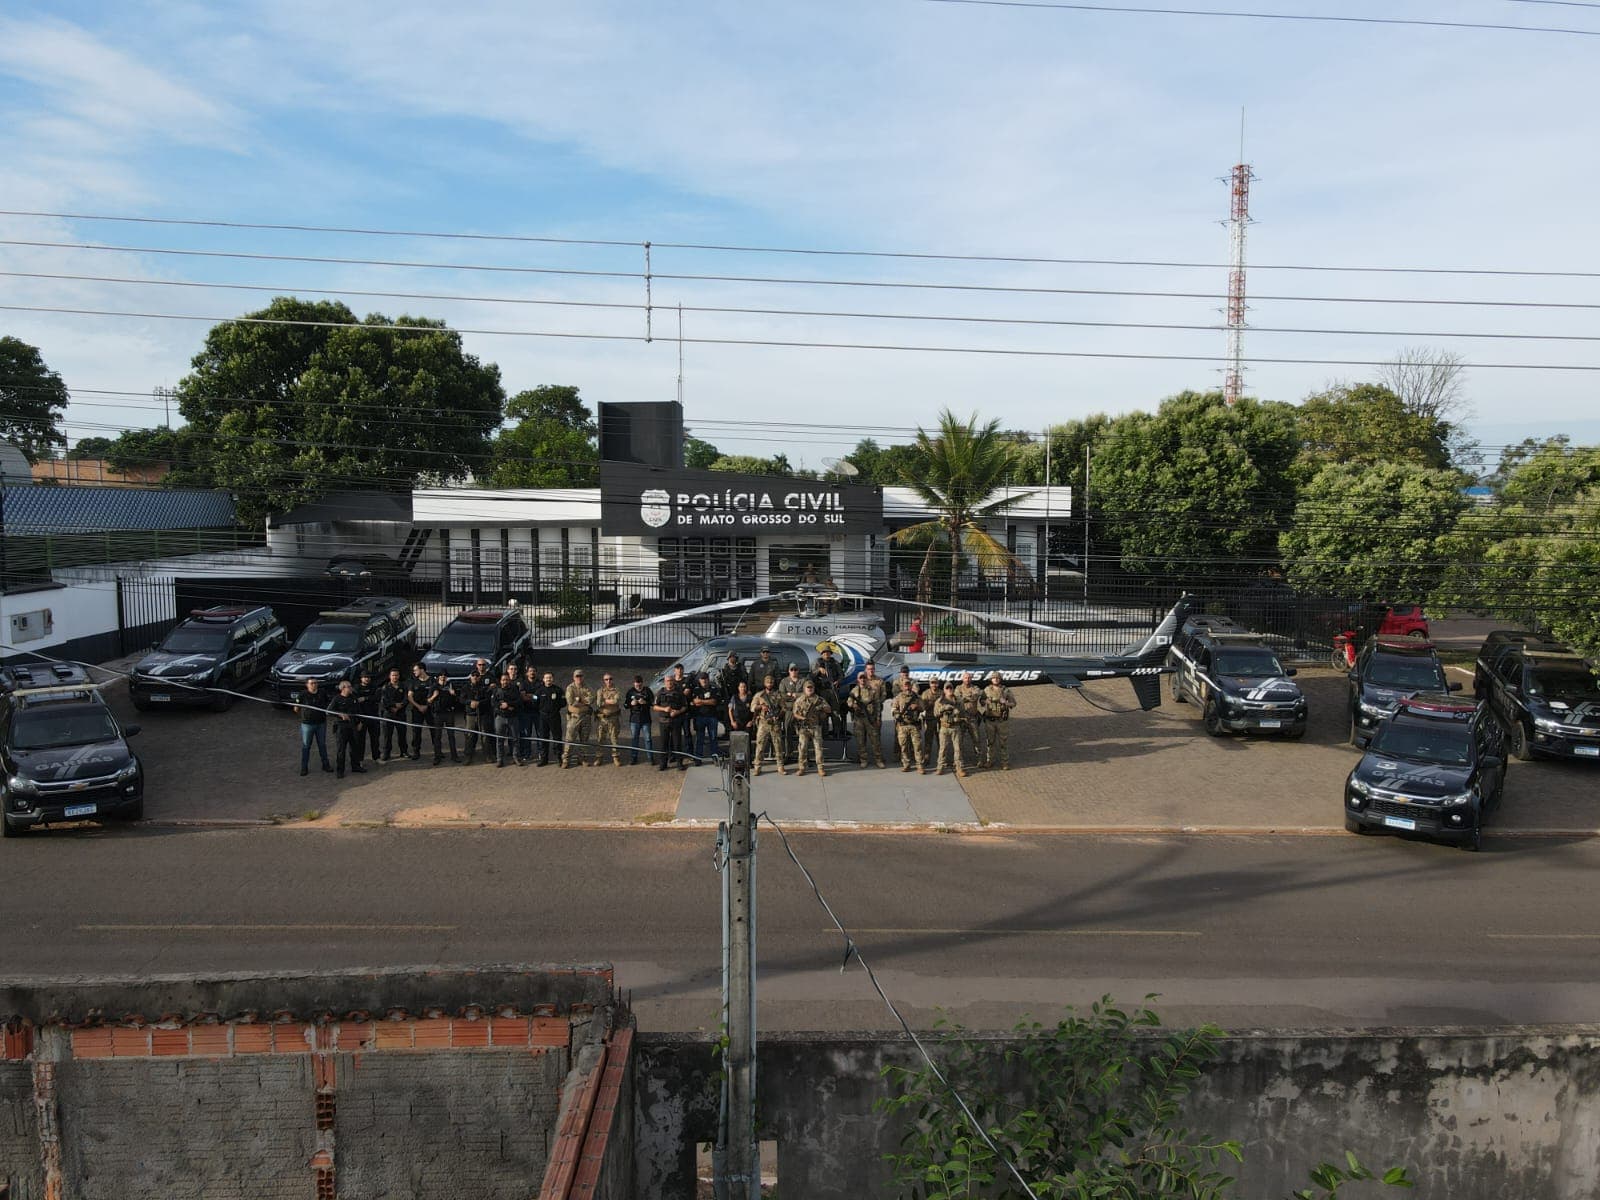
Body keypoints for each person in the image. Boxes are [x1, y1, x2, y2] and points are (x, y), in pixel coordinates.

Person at [847, 662, 888, 768]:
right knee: (860, 740)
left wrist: (878, 718)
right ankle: (863, 759)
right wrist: (853, 705)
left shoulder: (873, 690)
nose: (863, 679)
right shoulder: (855, 690)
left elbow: (878, 703)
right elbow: (849, 701)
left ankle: (878, 760)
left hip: (871, 717)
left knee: (875, 740)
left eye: (864, 678)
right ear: (858, 679)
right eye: (861, 678)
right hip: (859, 719)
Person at [292, 677, 333, 776]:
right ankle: (304, 767)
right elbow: (296, 708)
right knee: (306, 746)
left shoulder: (322, 693)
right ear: (307, 685)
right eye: (312, 683)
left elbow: (329, 703)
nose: (314, 685)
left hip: (321, 723)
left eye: (315, 683)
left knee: (322, 745)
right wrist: (303, 712)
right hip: (307, 724)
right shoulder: (302, 694)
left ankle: (326, 764)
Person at [327, 679, 367, 778]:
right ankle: (340, 770)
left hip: (353, 726)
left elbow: (359, 711)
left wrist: (360, 722)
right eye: (349, 687)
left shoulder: (353, 698)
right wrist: (340, 714)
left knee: (354, 747)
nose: (351, 688)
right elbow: (328, 711)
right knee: (341, 749)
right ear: (343, 688)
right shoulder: (337, 699)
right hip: (341, 728)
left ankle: (355, 766)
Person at [791, 680, 830, 777]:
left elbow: (828, 709)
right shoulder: (800, 700)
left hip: (815, 727)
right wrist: (803, 718)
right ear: (804, 689)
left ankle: (820, 768)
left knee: (818, 748)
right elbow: (795, 713)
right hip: (804, 727)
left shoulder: (819, 699)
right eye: (808, 687)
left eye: (811, 687)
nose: (810, 689)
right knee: (802, 748)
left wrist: (820, 707)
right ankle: (802, 768)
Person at [751, 674, 787, 777]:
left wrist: (779, 716)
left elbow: (784, 707)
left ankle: (780, 766)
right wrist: (761, 707)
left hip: (775, 723)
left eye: (771, 682)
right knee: (760, 745)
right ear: (764, 683)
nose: (769, 684)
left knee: (778, 745)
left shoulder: (778, 695)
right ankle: (757, 767)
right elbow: (752, 708)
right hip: (763, 723)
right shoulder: (760, 695)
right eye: (768, 682)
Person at [982, 671, 1018, 770]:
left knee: (1003, 742)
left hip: (1002, 721)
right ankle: (990, 761)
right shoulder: (987, 690)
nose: (996, 679)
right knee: (990, 742)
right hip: (990, 721)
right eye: (994, 678)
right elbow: (981, 701)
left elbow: (1014, 703)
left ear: (1000, 679)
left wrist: (1006, 703)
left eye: (997, 678)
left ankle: (1005, 762)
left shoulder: (1006, 690)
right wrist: (986, 701)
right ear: (991, 679)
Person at [890, 677, 925, 774]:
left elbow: (923, 709)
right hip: (902, 726)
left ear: (911, 685)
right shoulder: (898, 697)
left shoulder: (917, 697)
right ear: (902, 687)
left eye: (908, 684)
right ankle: (906, 764)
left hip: (914, 725)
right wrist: (898, 716)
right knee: (903, 746)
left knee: (917, 746)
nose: (907, 687)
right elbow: (893, 709)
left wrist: (917, 707)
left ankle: (919, 765)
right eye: (905, 685)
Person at [653, 677, 689, 771]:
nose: (669, 683)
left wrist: (677, 712)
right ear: (665, 682)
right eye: (667, 681)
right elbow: (655, 707)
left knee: (677, 743)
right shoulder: (660, 692)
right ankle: (663, 764)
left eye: (671, 681)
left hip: (675, 721)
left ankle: (679, 763)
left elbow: (685, 706)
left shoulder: (679, 692)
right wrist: (664, 709)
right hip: (663, 721)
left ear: (673, 682)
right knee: (663, 744)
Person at [562, 669, 595, 768]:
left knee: (584, 739)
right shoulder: (570, 688)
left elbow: (592, 699)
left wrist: (580, 700)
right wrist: (584, 701)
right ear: (573, 677)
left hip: (585, 717)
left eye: (580, 676)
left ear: (583, 677)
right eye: (577, 676)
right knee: (569, 739)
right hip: (574, 717)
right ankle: (566, 759)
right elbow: (571, 702)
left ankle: (582, 758)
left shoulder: (587, 687)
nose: (579, 678)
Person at [934, 682, 968, 778]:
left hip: (956, 727)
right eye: (947, 688)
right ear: (944, 690)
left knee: (958, 748)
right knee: (943, 748)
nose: (949, 690)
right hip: (944, 727)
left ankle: (959, 768)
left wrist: (958, 716)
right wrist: (943, 708)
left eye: (951, 688)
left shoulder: (958, 700)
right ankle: (940, 766)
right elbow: (935, 713)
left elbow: (963, 714)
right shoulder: (939, 701)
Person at [427, 671, 461, 764]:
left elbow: (458, 700)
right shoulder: (434, 687)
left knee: (451, 736)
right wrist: (434, 696)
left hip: (449, 713)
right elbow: (428, 701)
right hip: (438, 714)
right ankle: (437, 757)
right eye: (441, 675)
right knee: (437, 736)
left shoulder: (450, 686)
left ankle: (454, 756)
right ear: (438, 677)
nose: (443, 677)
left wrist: (453, 694)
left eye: (445, 676)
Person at [954, 670, 986, 769]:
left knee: (976, 739)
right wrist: (969, 697)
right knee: (959, 740)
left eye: (969, 678)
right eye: (965, 678)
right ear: (962, 679)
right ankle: (959, 761)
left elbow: (977, 695)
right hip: (962, 718)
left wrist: (965, 698)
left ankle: (980, 759)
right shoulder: (958, 688)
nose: (967, 679)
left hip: (973, 718)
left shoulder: (975, 688)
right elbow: (958, 699)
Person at [777, 665, 806, 764]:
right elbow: (781, 695)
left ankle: (803, 756)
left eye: (795, 669)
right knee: (787, 731)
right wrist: (793, 696)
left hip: (800, 710)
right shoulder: (784, 681)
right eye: (791, 669)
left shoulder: (803, 680)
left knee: (803, 733)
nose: (794, 671)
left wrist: (794, 695)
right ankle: (788, 754)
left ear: (798, 671)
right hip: (789, 710)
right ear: (788, 671)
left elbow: (807, 693)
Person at [534, 671, 564, 766]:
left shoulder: (558, 690)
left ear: (553, 679)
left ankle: (559, 758)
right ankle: (544, 759)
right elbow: (534, 702)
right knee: (543, 738)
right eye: (546, 678)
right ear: (543, 679)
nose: (548, 679)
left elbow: (563, 703)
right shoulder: (538, 691)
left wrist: (555, 709)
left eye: (550, 678)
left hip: (554, 716)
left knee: (557, 738)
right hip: (543, 717)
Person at [379, 668, 409, 761]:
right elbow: (384, 701)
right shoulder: (385, 688)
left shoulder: (403, 686)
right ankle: (386, 753)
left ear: (399, 676)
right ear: (389, 676)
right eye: (393, 675)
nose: (395, 677)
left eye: (396, 675)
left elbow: (406, 698)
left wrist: (401, 706)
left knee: (402, 734)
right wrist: (394, 705)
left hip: (401, 714)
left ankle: (404, 752)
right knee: (387, 735)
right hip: (388, 714)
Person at [594, 672, 624, 767]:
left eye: (610, 679)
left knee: (614, 739)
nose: (608, 681)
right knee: (600, 739)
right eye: (606, 679)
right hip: (602, 720)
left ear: (612, 679)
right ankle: (599, 758)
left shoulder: (617, 690)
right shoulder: (600, 691)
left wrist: (605, 700)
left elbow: (616, 701)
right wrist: (610, 701)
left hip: (613, 719)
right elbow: (599, 703)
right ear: (604, 681)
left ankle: (616, 757)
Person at [353, 669, 382, 767]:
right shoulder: (356, 688)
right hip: (362, 718)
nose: (367, 679)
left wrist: (366, 698)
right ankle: (360, 760)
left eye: (368, 677)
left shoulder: (374, 687)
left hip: (373, 716)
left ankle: (376, 757)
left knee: (375, 738)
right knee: (360, 740)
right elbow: (356, 701)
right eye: (365, 677)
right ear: (361, 678)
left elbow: (377, 698)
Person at [625, 674, 655, 765]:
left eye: (640, 683)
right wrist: (631, 703)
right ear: (634, 683)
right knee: (635, 739)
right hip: (634, 719)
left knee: (648, 739)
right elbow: (625, 705)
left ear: (642, 683)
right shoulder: (630, 692)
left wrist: (645, 702)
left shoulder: (647, 691)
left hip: (646, 719)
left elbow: (653, 703)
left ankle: (650, 757)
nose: (638, 685)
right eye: (636, 683)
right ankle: (634, 757)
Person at [690, 671, 720, 761]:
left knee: (713, 738)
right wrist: (707, 702)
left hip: (712, 717)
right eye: (702, 679)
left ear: (708, 679)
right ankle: (698, 758)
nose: (704, 681)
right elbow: (695, 702)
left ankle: (714, 757)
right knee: (700, 738)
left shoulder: (714, 689)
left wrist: (701, 701)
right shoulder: (696, 690)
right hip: (700, 717)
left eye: (705, 679)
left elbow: (714, 702)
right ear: (699, 680)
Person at [405, 663, 433, 760]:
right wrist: (419, 706)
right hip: (417, 710)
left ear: (422, 670)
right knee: (416, 731)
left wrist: (427, 706)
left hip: (430, 710)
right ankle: (416, 751)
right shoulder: (413, 682)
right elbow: (410, 697)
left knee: (434, 730)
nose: (414, 672)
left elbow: (436, 695)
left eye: (416, 670)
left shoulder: (432, 681)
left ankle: (438, 751)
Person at [491, 671, 518, 768]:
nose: (505, 681)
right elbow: (493, 703)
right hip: (500, 718)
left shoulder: (515, 689)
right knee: (500, 739)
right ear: (500, 681)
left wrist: (509, 705)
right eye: (503, 680)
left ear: (509, 680)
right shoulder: (496, 690)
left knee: (515, 739)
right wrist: (501, 706)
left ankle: (516, 757)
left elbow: (518, 701)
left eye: (506, 679)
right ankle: (500, 759)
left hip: (512, 717)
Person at [461, 669, 487, 764]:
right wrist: (470, 702)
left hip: (482, 715)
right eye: (473, 675)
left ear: (479, 677)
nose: (475, 677)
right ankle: (468, 756)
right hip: (470, 715)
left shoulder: (484, 687)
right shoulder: (465, 688)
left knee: (485, 736)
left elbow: (488, 700)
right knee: (469, 736)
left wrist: (479, 703)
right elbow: (461, 699)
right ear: (470, 677)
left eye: (477, 675)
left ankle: (487, 755)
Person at [727, 680, 754, 749]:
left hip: (747, 722)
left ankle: (748, 756)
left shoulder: (750, 698)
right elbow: (730, 710)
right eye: (741, 687)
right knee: (737, 741)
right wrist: (732, 722)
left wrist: (752, 721)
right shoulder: (734, 697)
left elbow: (755, 711)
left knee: (747, 742)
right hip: (737, 722)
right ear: (738, 688)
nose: (743, 688)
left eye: (744, 687)